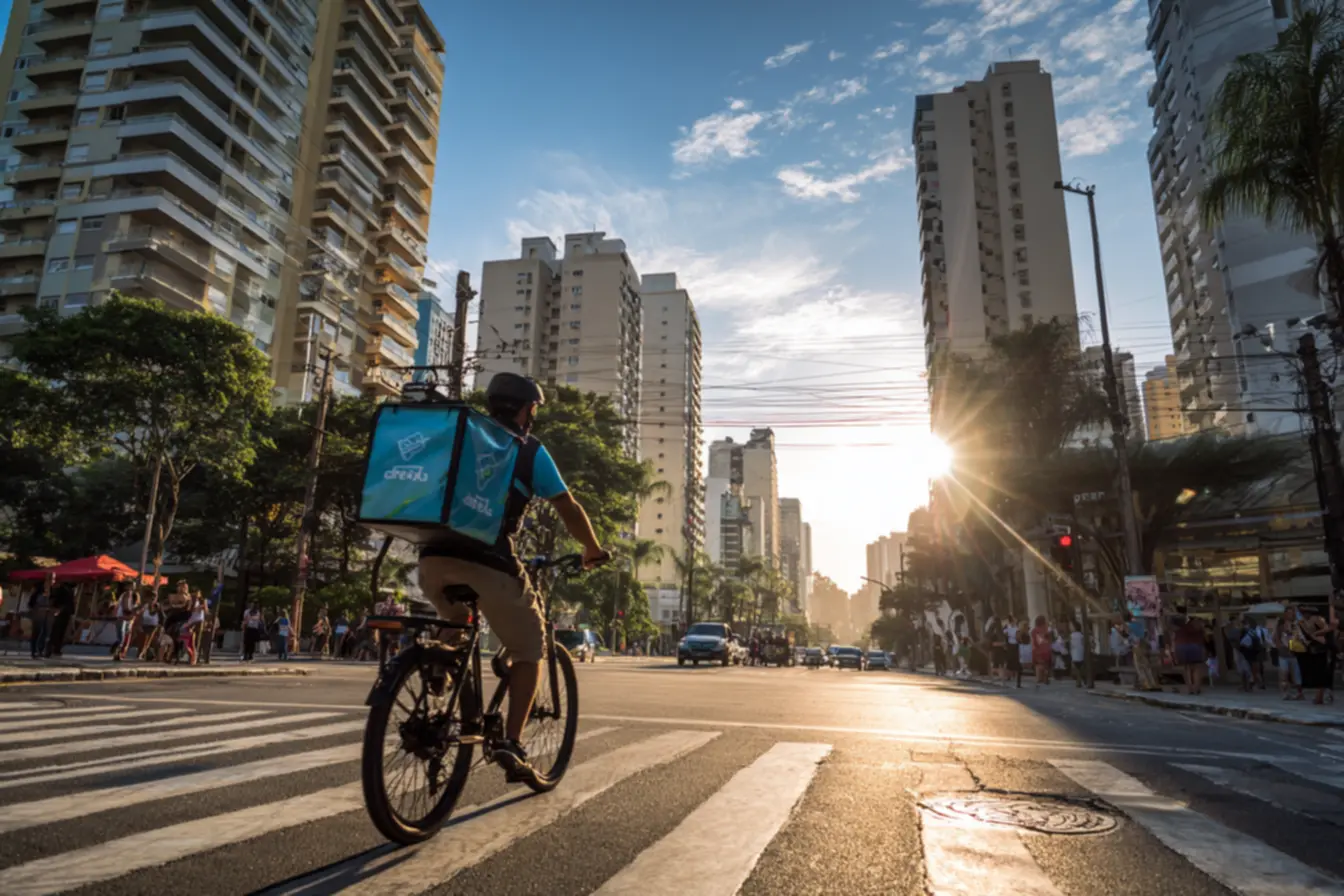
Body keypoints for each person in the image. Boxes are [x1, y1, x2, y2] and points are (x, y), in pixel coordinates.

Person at [418, 373, 607, 785]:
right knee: (530, 648)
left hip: (431, 558)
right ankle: (513, 741)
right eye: (533, 411)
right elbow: (567, 505)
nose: (533, 418)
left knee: (456, 614)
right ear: (525, 411)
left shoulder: (460, 437)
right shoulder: (527, 450)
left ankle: (439, 665)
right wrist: (592, 548)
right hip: (488, 562)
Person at [1169, 604, 1206, 695]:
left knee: (1186, 668)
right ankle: (1196, 687)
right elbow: (1203, 633)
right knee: (1196, 667)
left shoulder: (1175, 621)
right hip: (1195, 645)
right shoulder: (1197, 622)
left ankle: (1190, 688)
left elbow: (1171, 630)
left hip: (1181, 645)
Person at [111, 582, 140, 661]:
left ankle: (119, 654)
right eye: (131, 585)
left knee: (125, 638)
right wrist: (133, 612)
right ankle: (117, 653)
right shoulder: (126, 595)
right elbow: (125, 608)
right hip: (123, 618)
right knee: (122, 639)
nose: (133, 587)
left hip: (128, 619)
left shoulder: (133, 596)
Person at [27, 580, 51, 659]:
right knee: (39, 634)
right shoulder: (41, 596)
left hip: (37, 617)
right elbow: (39, 606)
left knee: (36, 634)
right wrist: (47, 608)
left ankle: (35, 651)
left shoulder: (35, 596)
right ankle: (36, 651)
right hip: (40, 617)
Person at [1030, 615, 1052, 686]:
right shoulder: (1046, 629)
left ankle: (1039, 678)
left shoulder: (1034, 631)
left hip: (1037, 650)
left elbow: (1034, 642)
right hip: (1046, 649)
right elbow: (1049, 639)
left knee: (1038, 665)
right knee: (1046, 664)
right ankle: (1045, 676)